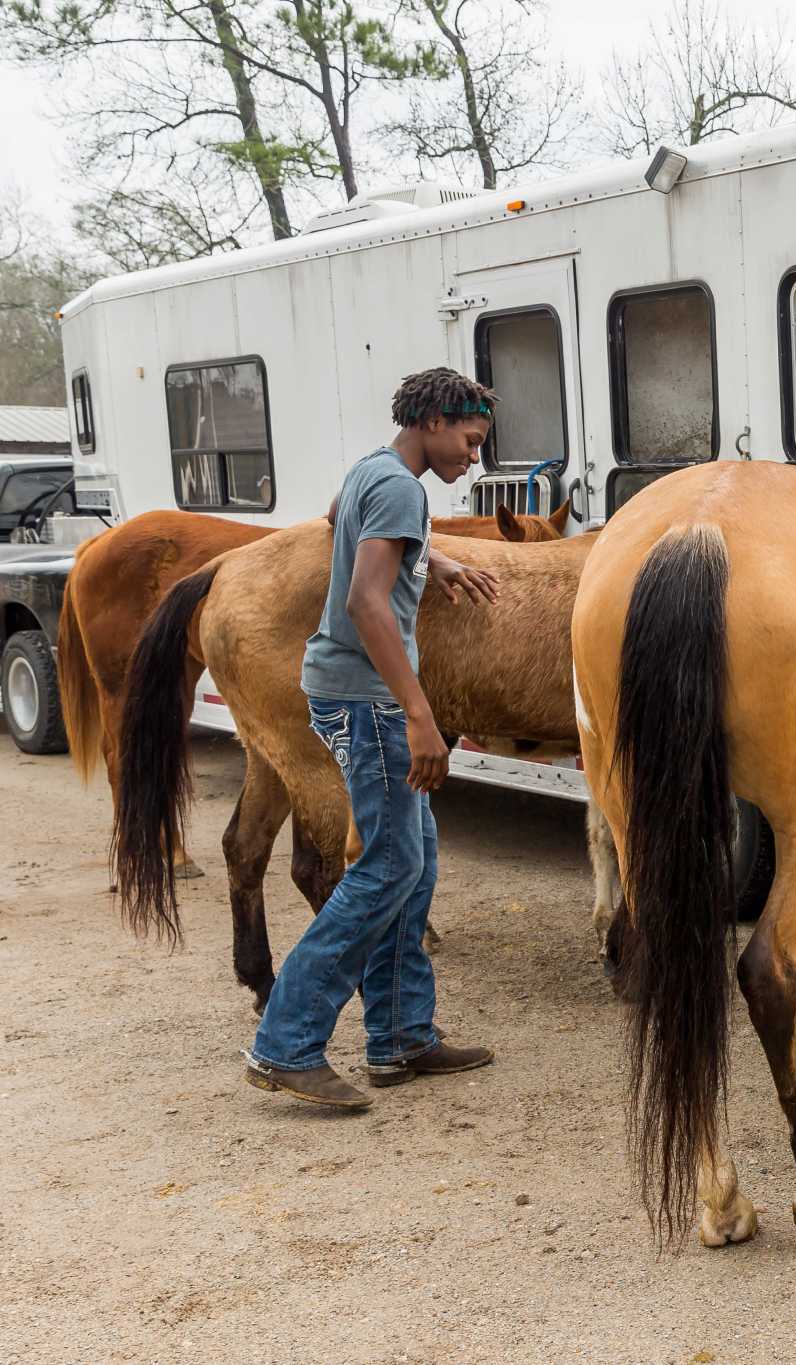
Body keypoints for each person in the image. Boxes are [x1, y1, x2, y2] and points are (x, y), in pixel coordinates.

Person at [243, 368, 503, 1109]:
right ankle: (285, 1042)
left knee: (411, 865)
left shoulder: (374, 471)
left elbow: (336, 518)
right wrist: (420, 714)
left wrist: (429, 555)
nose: (473, 457)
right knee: (387, 866)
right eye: (469, 439)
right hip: (370, 702)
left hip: (351, 692)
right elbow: (364, 599)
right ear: (430, 420)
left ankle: (399, 1035)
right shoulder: (400, 487)